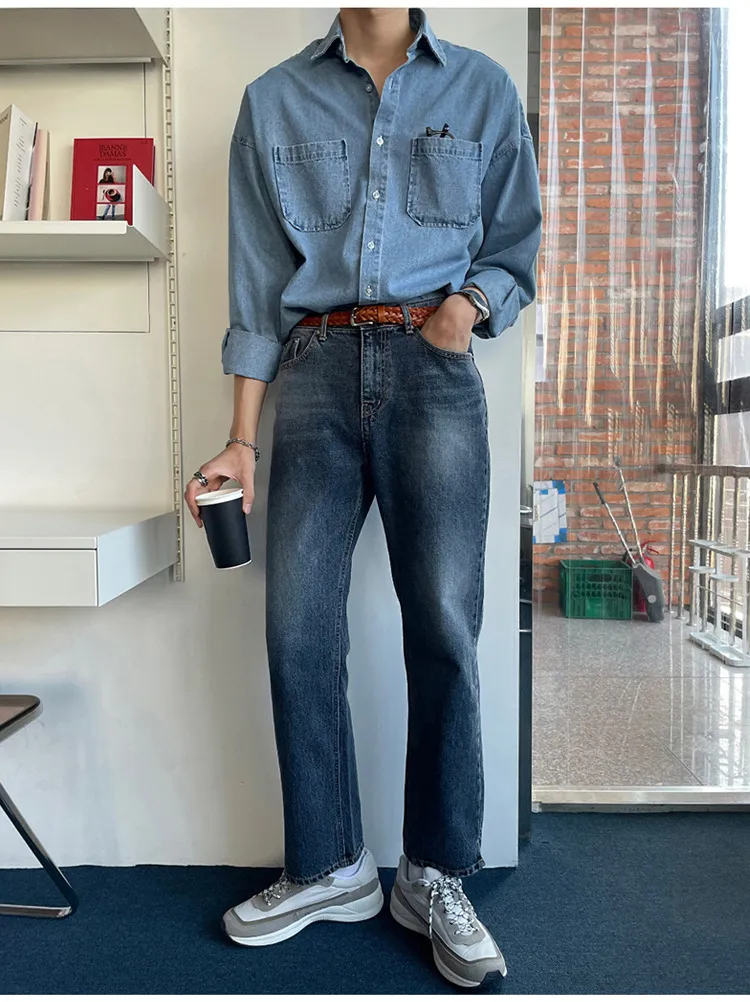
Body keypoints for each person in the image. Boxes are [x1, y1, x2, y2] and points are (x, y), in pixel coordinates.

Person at [185, 7, 541, 989]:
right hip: (312, 370)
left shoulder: (480, 87)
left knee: (446, 628)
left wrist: (466, 310)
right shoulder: (273, 99)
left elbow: (515, 243)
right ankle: (331, 865)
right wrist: (241, 439)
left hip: (435, 369)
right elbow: (257, 286)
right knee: (297, 629)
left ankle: (436, 873)